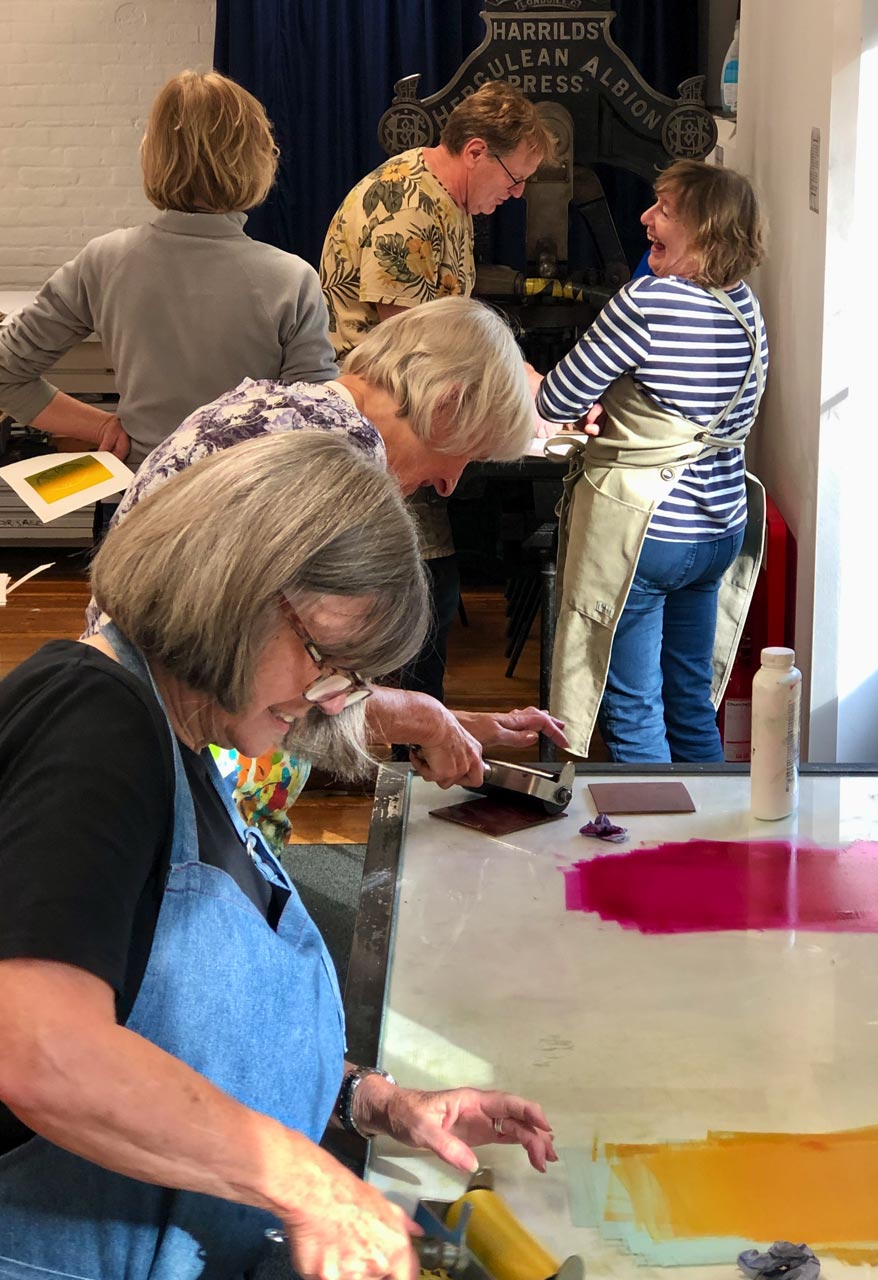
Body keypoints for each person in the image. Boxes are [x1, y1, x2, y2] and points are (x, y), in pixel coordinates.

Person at [0, 432, 557, 1279]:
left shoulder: (190, 744)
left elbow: (185, 1020)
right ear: (236, 591)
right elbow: (41, 1050)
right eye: (327, 660)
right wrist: (309, 1186)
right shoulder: (93, 719)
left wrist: (377, 1102)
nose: (329, 700)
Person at [86, 297, 568, 848]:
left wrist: (442, 720)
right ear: (448, 405)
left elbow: (298, 679)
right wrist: (425, 720)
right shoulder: (342, 457)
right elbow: (278, 681)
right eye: (467, 455)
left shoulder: (278, 405)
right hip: (187, 764)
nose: (450, 483)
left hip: (133, 718)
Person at [320, 80, 553, 703]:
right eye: (514, 176)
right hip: (382, 427)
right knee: (427, 590)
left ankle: (402, 736)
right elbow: (414, 348)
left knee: (434, 589)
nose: (518, 193)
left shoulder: (445, 200)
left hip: (404, 420)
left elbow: (452, 322)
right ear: (476, 151)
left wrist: (525, 379)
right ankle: (404, 747)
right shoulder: (409, 210)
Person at [536, 160, 769, 763]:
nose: (645, 217)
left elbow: (557, 398)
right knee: (690, 702)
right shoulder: (745, 306)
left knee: (633, 709)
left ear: (707, 232)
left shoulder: (648, 301)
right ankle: (712, 846)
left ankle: (650, 848)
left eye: (664, 209)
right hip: (720, 528)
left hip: (646, 532)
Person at [0, 70, 338, 471]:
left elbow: (6, 374)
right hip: (249, 510)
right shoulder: (292, 280)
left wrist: (104, 426)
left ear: (151, 154)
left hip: (142, 504)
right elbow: (315, 432)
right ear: (259, 158)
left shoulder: (104, 260)